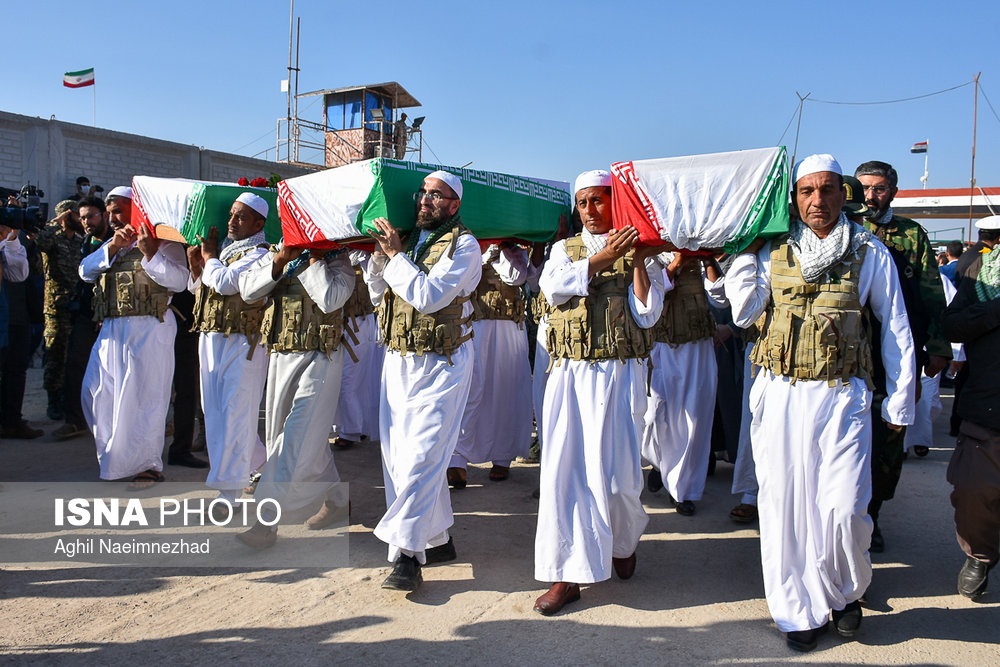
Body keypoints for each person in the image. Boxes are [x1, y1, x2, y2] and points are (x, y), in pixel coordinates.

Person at [726, 154, 915, 652]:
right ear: (794, 199)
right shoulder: (773, 251)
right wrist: (745, 251)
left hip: (842, 395)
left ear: (843, 194)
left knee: (844, 508)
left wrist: (899, 403)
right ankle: (796, 610)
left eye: (827, 190)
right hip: (781, 394)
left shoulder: (869, 251)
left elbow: (895, 326)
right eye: (807, 191)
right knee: (784, 506)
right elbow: (744, 313)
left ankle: (844, 592)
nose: (817, 200)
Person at [533, 169, 664, 615]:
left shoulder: (639, 250)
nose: (591, 210)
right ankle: (567, 574)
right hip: (570, 375)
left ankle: (623, 541)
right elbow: (553, 288)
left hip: (620, 375)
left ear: (616, 202)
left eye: (600, 200)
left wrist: (640, 260)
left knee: (620, 479)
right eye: (584, 202)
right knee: (563, 476)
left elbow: (647, 316)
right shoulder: (562, 251)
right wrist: (604, 258)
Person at [365, 170, 482, 592]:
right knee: (399, 459)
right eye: (423, 193)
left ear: (454, 205)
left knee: (425, 455)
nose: (426, 201)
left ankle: (407, 556)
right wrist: (380, 259)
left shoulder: (465, 246)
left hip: (443, 363)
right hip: (398, 359)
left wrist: (395, 257)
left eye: (437, 196)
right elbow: (380, 296)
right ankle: (439, 538)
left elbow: (430, 297)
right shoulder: (409, 240)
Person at [855, 160, 951, 553]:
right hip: (851, 352)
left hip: (895, 352)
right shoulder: (847, 229)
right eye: (864, 188)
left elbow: (931, 294)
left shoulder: (911, 234)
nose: (870, 197)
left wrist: (939, 346)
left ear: (893, 191)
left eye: (878, 189)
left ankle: (873, 515)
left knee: (888, 437)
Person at [236, 233, 354, 548]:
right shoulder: (278, 252)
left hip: (323, 355)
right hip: (282, 354)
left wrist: (312, 256)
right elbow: (247, 291)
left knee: (296, 435)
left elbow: (331, 299)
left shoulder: (338, 258)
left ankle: (265, 521)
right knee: (291, 438)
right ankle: (338, 498)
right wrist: (281, 259)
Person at [80, 190, 189, 488]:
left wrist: (150, 252)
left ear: (137, 210)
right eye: (110, 212)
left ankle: (149, 465)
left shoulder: (163, 240)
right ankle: (117, 458)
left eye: (118, 211)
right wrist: (114, 246)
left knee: (145, 398)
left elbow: (180, 281)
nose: (113, 218)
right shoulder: (111, 244)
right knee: (96, 393)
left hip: (150, 328)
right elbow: (85, 271)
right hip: (112, 329)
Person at [187, 193, 271, 515]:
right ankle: (262, 464)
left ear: (259, 224)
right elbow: (201, 290)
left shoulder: (261, 253)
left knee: (236, 413)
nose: (232, 222)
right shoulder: (224, 251)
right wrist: (198, 267)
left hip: (244, 343)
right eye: (232, 215)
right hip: (211, 337)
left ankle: (230, 492)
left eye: (241, 217)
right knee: (216, 413)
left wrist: (209, 259)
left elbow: (225, 283)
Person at [941, 225, 1000, 599]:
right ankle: (980, 555)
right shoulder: (980, 270)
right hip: (989, 405)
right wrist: (996, 308)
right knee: (973, 491)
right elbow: (953, 323)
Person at [642, 253, 723, 516]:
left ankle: (683, 491)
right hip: (661, 346)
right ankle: (658, 462)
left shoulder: (701, 252)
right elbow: (650, 294)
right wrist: (677, 263)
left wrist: (707, 259)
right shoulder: (651, 250)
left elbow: (719, 298)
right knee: (654, 414)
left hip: (697, 346)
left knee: (693, 420)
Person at [449, 241, 532, 484]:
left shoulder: (515, 252)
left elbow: (516, 277)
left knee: (505, 391)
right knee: (469, 390)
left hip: (507, 331)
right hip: (474, 327)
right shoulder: (468, 246)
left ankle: (502, 458)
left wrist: (501, 250)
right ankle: (458, 459)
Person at [53, 195, 118, 439]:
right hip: (86, 313)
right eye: (82, 218)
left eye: (91, 216)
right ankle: (75, 420)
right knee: (75, 365)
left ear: (104, 215)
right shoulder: (87, 241)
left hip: (111, 315)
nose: (87, 222)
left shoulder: (119, 241)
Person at [36, 200, 84, 420]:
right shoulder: (52, 239)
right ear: (66, 216)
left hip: (77, 305)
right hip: (56, 307)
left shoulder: (79, 242)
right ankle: (53, 400)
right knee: (55, 353)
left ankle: (69, 398)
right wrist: (54, 224)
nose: (81, 219)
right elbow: (38, 243)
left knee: (73, 355)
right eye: (76, 215)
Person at [331, 250, 382, 449]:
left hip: (359, 324)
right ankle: (352, 426)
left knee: (351, 380)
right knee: (341, 380)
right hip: (336, 324)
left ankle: (352, 430)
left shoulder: (364, 256)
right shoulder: (334, 256)